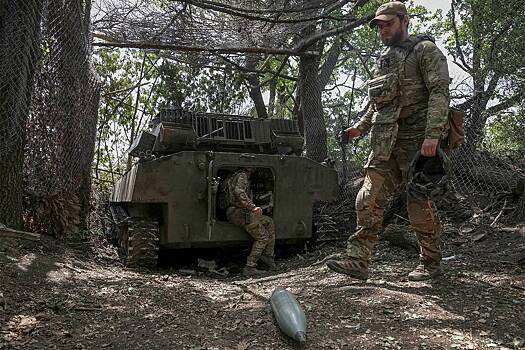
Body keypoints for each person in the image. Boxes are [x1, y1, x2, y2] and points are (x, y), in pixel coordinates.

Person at [326, 1, 450, 281]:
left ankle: (430, 261)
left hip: (417, 141)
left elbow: (439, 93)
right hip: (385, 142)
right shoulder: (385, 59)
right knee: (366, 199)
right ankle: (358, 261)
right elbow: (378, 102)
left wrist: (432, 135)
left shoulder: (425, 51)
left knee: (418, 203)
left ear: (404, 21)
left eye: (388, 24)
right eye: (379, 26)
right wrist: (360, 127)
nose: (382, 30)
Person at [220, 168, 276, 276]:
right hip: (238, 212)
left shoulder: (233, 175)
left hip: (238, 211)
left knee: (269, 222)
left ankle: (268, 256)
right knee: (263, 237)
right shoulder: (242, 175)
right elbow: (239, 191)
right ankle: (250, 266)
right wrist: (252, 207)